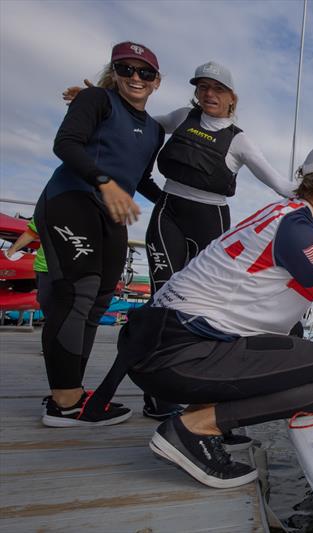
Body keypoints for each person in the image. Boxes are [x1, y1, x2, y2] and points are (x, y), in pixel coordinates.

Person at [85, 140, 313, 488]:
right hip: (176, 353)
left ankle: (206, 416)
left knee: (294, 341)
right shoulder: (300, 233)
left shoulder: (287, 218)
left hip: (160, 344)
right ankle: (193, 428)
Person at [65, 61, 296, 421]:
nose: (208, 95)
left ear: (232, 97)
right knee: (161, 302)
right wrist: (97, 104)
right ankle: (157, 396)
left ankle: (198, 387)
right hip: (168, 214)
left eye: (217, 89)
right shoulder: (180, 117)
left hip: (211, 222)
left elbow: (282, 186)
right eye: (203, 87)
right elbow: (132, 125)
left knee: (202, 308)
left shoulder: (240, 140)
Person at [33, 41, 165, 427]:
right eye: (126, 69)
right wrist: (103, 182)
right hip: (72, 199)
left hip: (113, 213)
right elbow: (66, 144)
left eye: (145, 72)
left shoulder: (154, 129)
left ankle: (71, 391)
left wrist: (173, 204)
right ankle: (64, 403)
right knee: (76, 294)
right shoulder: (95, 100)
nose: (135, 78)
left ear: (157, 81)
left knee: (99, 303)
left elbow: (140, 178)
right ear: (115, 73)